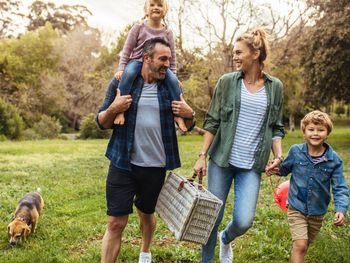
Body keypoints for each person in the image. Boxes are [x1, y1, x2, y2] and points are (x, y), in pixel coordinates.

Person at [96, 37, 195, 263]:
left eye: (169, 59)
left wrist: (190, 115)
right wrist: (114, 108)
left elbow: (187, 126)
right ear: (146, 58)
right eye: (162, 59)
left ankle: (145, 251)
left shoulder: (171, 87)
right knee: (115, 222)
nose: (167, 65)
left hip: (155, 166)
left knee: (146, 213)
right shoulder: (122, 83)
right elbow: (101, 122)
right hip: (123, 163)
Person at [193, 28, 285, 263]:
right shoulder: (226, 82)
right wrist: (202, 155)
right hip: (222, 160)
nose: (234, 57)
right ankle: (207, 260)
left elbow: (276, 126)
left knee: (244, 220)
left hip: (251, 165)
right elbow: (212, 121)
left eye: (238, 52)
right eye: (234, 52)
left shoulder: (275, 87)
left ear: (255, 54)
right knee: (212, 216)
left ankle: (226, 238)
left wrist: (278, 155)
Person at [266, 110, 349, 263]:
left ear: (327, 133)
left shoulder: (334, 160)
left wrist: (341, 209)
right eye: (311, 129)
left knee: (304, 245)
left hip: (317, 212)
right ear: (304, 133)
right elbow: (284, 169)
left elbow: (340, 187)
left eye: (320, 130)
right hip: (296, 206)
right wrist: (274, 168)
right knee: (300, 245)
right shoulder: (296, 151)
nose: (315, 133)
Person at [114, 0, 187, 132]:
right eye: (152, 5)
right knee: (128, 74)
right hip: (137, 61)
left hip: (159, 65)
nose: (156, 8)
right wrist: (121, 68)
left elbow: (173, 56)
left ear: (164, 10)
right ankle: (120, 111)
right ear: (146, 9)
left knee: (173, 82)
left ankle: (177, 115)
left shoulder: (167, 32)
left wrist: (174, 74)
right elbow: (127, 49)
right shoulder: (139, 27)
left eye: (159, 5)